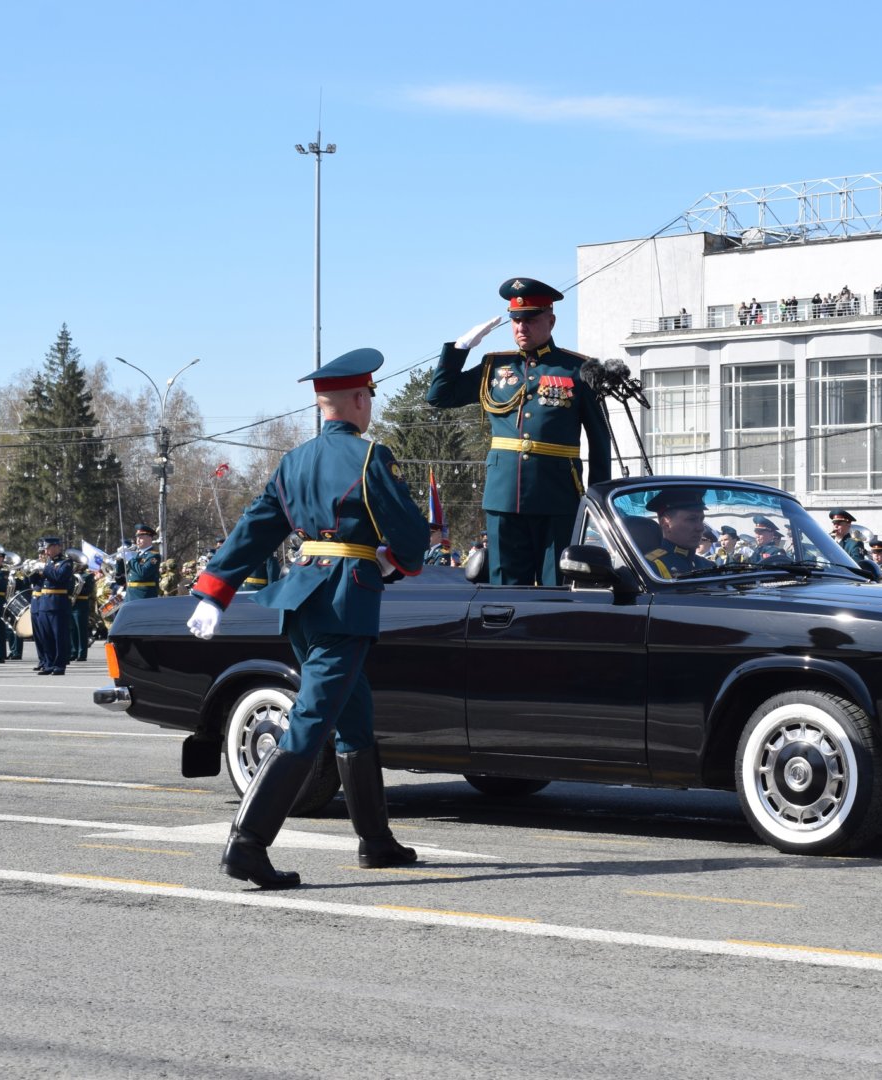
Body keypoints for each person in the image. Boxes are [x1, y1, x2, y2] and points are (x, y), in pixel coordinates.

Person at [187, 348, 429, 889]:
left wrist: (214, 591)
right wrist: (398, 559)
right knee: (310, 724)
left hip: (303, 603)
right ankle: (247, 844)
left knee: (354, 718)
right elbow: (410, 535)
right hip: (347, 602)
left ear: (324, 406)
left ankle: (376, 841)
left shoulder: (292, 461)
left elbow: (256, 526)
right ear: (361, 400)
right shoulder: (371, 458)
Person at [426, 277, 611, 585]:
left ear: (550, 321)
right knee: (506, 590)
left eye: (530, 319)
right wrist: (459, 349)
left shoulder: (580, 370)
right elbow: (440, 396)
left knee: (558, 586)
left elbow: (599, 440)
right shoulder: (494, 368)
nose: (521, 327)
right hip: (504, 496)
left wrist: (597, 502)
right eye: (515, 320)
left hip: (558, 496)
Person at [641, 488, 714, 578]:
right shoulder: (651, 567)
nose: (701, 528)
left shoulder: (708, 565)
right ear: (666, 524)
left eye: (701, 520)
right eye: (691, 519)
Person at [28, 537, 76, 675]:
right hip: (44, 603)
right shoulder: (47, 563)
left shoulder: (66, 563)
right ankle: (48, 664)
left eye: (48, 548)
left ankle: (59, 665)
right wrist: (33, 572)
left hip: (58, 603)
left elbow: (59, 577)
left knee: (59, 636)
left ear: (57, 547)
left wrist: (44, 568)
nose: (46, 551)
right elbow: (34, 582)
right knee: (45, 636)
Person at [123, 524, 162, 602]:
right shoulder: (136, 555)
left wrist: (130, 559)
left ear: (149, 538)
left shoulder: (154, 556)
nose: (137, 540)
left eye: (141, 537)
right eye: (137, 537)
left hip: (143, 596)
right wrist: (119, 562)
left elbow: (144, 572)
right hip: (130, 595)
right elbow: (122, 578)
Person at [70, 559, 96, 663]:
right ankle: (73, 652)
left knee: (81, 630)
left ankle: (82, 654)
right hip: (71, 604)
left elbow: (88, 590)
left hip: (81, 603)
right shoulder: (70, 575)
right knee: (72, 629)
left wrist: (77, 589)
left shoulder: (88, 576)